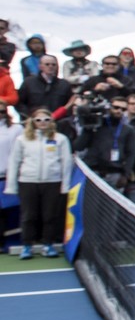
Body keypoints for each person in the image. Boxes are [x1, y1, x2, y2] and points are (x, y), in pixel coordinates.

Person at [5, 108, 73, 259]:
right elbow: (14, 162)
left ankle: (47, 245)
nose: (43, 123)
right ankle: (27, 246)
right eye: (39, 120)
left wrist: (65, 185)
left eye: (46, 120)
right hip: (28, 182)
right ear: (33, 122)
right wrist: (11, 185)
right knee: (28, 216)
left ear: (51, 122)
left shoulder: (60, 139)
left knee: (49, 215)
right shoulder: (22, 139)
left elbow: (66, 163)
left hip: (52, 182)